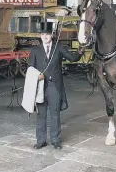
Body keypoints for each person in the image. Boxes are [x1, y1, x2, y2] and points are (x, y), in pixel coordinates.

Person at [28, 21, 85, 149]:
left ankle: (55, 140)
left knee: (55, 114)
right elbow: (30, 68)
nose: (45, 36)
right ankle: (41, 140)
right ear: (40, 36)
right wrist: (37, 76)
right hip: (40, 89)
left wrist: (80, 50)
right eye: (43, 34)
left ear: (52, 35)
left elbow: (72, 58)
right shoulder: (35, 50)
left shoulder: (58, 47)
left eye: (47, 34)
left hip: (54, 87)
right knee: (41, 115)